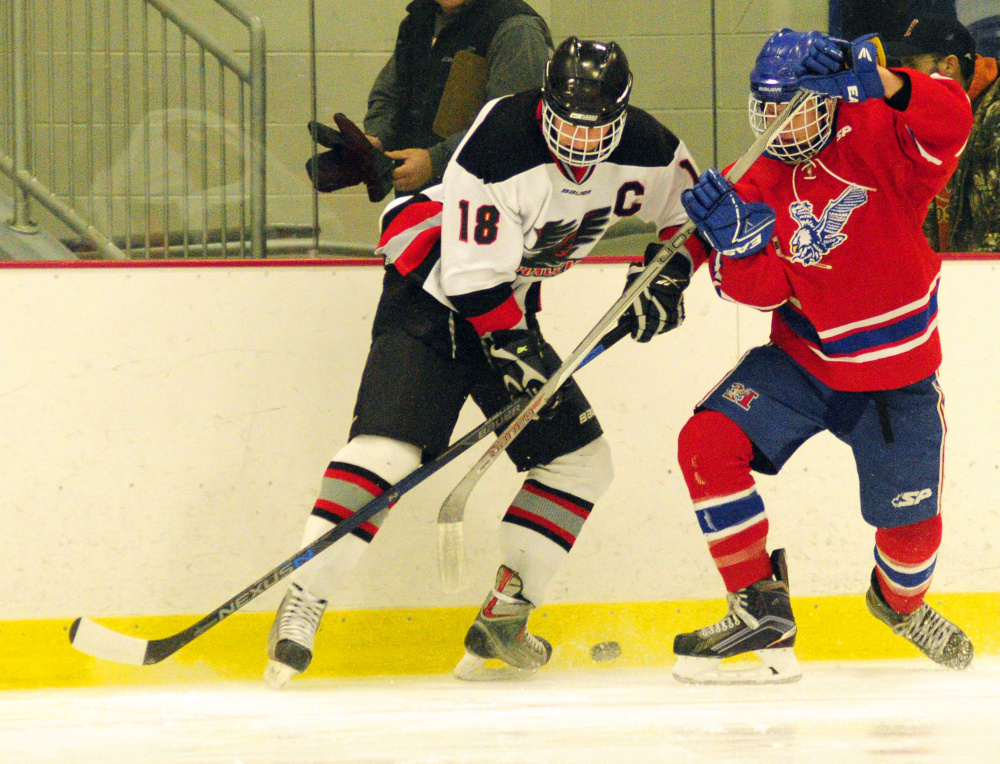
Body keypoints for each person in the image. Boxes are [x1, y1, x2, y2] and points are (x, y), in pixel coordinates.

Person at [263, 37, 706, 688]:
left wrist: (669, 277)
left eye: (596, 128)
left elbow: (694, 220)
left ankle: (506, 617)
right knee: (388, 453)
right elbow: (471, 281)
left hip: (510, 306)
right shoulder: (501, 139)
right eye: (566, 124)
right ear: (544, 107)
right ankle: (305, 599)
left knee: (580, 463)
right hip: (433, 293)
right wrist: (515, 351)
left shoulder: (651, 149)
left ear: (621, 114)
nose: (580, 143)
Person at [670, 28, 974, 684]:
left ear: (830, 97)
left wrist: (887, 82)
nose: (780, 125)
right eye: (769, 109)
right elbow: (763, 290)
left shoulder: (877, 127)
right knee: (706, 442)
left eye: (797, 106)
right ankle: (758, 605)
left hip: (897, 375)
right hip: (802, 363)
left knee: (913, 538)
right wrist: (735, 247)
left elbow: (954, 119)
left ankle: (899, 606)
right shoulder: (755, 174)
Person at [363, 0, 553, 196]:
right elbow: (390, 93)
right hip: (417, 195)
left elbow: (511, 124)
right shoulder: (419, 19)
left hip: (485, 202)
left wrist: (434, 161)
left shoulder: (517, 29)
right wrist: (375, 140)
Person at [886, 15, 1000, 253]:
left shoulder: (995, 114)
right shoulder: (914, 113)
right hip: (947, 275)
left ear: (949, 65)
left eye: (912, 65)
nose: (903, 74)